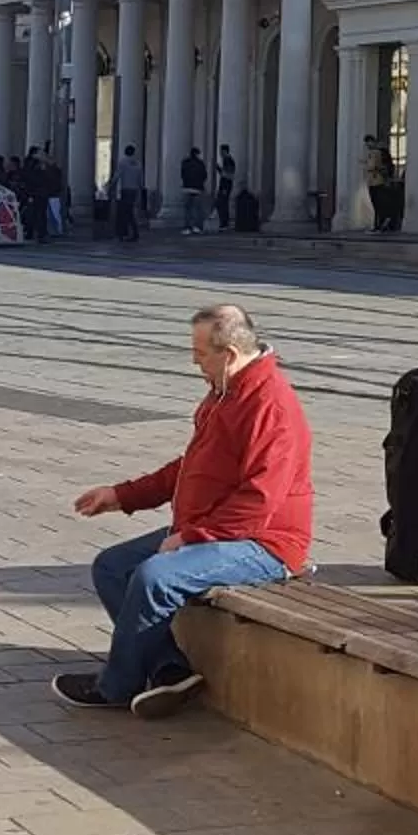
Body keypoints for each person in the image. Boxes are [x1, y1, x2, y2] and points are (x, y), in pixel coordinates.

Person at [55, 303, 313, 713]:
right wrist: (122, 496)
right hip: (211, 528)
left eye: (200, 353)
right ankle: (170, 671)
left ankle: (116, 686)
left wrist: (190, 538)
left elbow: (259, 500)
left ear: (228, 354)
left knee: (155, 576)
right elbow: (190, 466)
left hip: (264, 543)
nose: (194, 361)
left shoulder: (269, 405)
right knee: (111, 566)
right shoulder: (225, 392)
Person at [113, 145, 146, 245]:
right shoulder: (138, 164)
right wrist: (141, 190)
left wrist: (111, 185)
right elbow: (141, 179)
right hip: (134, 190)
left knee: (124, 212)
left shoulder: (123, 162)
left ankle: (124, 233)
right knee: (130, 211)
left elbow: (117, 175)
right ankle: (133, 232)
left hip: (126, 190)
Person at [180, 146, 210, 235]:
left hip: (187, 188)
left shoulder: (185, 163)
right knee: (198, 209)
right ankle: (197, 227)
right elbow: (204, 175)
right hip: (198, 188)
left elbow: (182, 174)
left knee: (188, 209)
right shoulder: (200, 164)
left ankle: (187, 227)